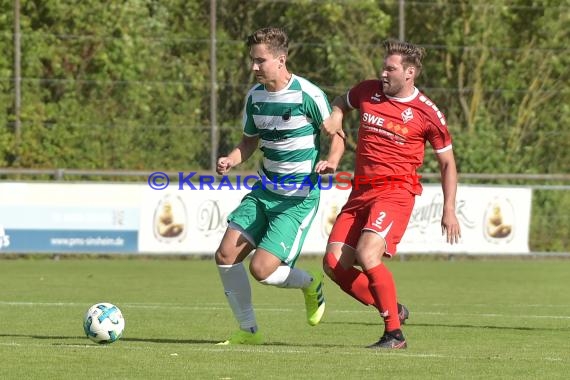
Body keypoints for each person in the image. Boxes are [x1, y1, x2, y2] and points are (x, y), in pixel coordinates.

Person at [321, 39, 462, 349]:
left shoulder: (427, 114)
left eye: (390, 68)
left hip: (396, 192)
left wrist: (449, 208)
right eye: (383, 67)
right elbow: (341, 102)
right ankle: (394, 312)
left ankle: (394, 335)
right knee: (333, 264)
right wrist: (336, 116)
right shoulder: (367, 91)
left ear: (409, 73)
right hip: (360, 192)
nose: (383, 73)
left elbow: (448, 163)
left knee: (367, 253)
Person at [214, 27, 345, 345]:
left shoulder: (308, 95)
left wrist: (332, 162)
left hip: (296, 199)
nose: (254, 67)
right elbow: (248, 141)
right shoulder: (255, 97)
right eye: (252, 61)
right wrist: (232, 159)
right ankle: (248, 332)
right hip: (264, 192)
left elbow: (337, 136)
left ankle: (309, 285)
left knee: (262, 270)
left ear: (280, 60)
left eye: (260, 61)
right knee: (225, 255)